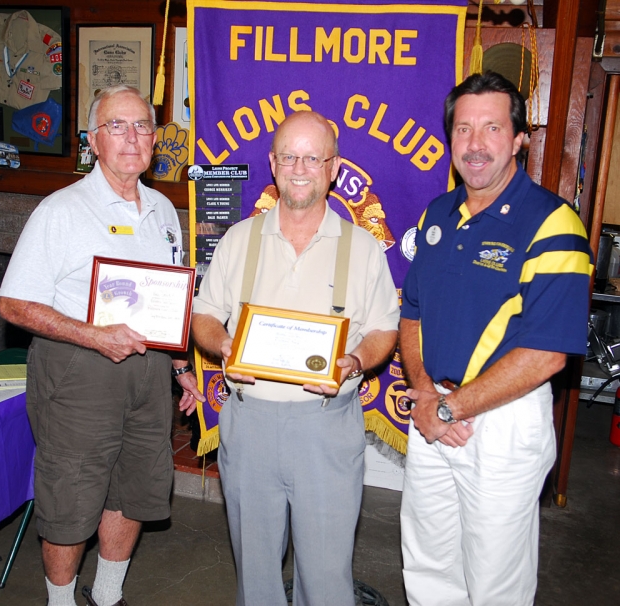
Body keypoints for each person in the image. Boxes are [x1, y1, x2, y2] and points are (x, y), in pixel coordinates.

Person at [0, 85, 203, 606]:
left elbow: (166, 303)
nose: (132, 138)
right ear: (92, 140)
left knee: (135, 487)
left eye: (142, 126)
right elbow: (14, 304)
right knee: (71, 497)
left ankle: (107, 595)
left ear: (155, 140)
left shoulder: (161, 209)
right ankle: (60, 602)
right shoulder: (61, 210)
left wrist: (181, 367)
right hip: (78, 376)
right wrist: (93, 335)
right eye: (117, 126)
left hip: (149, 375)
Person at [399, 71, 593, 606]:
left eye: (491, 128)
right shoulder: (437, 215)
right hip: (433, 411)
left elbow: (547, 353)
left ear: (519, 139)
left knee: (495, 584)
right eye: (463, 129)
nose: (475, 144)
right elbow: (411, 313)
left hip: (501, 423)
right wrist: (426, 395)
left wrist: (453, 408)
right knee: (428, 566)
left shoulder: (555, 223)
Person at [191, 110, 399, 606]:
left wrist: (351, 362)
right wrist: (223, 344)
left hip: (325, 428)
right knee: (256, 572)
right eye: (289, 156)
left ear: (332, 167)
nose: (300, 168)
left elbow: (384, 331)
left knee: (327, 577)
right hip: (249, 425)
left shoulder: (364, 248)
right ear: (272, 163)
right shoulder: (238, 239)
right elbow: (204, 315)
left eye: (312, 157)